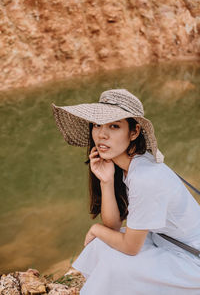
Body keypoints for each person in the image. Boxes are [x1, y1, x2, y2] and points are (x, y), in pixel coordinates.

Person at [52, 89, 200, 295]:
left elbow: (131, 247)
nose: (102, 134)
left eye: (114, 126)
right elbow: (112, 225)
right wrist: (106, 181)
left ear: (134, 132)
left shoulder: (145, 176)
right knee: (101, 247)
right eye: (97, 125)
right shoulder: (130, 165)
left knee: (113, 264)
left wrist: (96, 230)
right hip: (166, 244)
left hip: (192, 262)